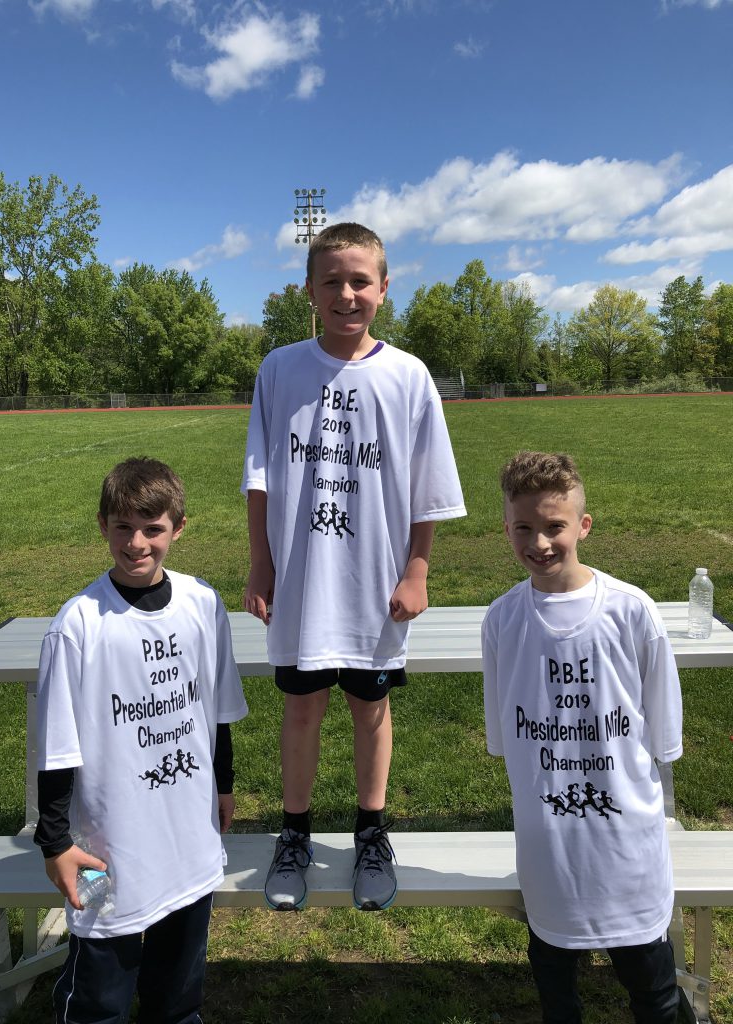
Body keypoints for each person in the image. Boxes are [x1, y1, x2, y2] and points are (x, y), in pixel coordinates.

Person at [242, 222, 466, 912]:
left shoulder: (408, 375)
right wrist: (260, 566)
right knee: (302, 709)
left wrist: (418, 570)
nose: (346, 293)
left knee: (372, 710)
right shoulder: (280, 368)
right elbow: (261, 479)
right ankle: (295, 835)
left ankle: (371, 834)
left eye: (360, 280)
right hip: (305, 582)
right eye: (332, 281)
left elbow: (429, 484)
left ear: (384, 288)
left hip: (375, 583)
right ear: (309, 290)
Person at [34, 457, 248, 1024]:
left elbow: (216, 711)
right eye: (123, 527)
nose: (136, 543)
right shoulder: (78, 625)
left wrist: (223, 786)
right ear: (102, 525)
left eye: (152, 528)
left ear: (178, 528)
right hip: (109, 846)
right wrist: (54, 841)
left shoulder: (203, 604)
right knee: (100, 1000)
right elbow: (57, 748)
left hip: (187, 836)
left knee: (178, 999)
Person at [481, 451, 683, 1024]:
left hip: (627, 854)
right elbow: (506, 735)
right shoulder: (501, 621)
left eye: (554, 526)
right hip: (549, 854)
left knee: (653, 993)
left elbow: (663, 737)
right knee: (557, 995)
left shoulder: (632, 612)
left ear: (583, 526)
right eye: (524, 528)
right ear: (506, 529)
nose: (540, 542)